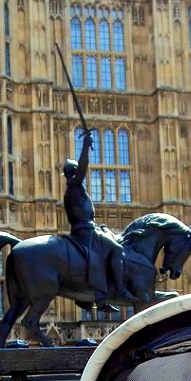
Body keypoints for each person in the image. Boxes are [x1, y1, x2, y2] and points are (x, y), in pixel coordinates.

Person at [63, 129, 133, 301]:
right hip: (86, 231)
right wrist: (86, 146)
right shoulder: (74, 185)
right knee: (116, 249)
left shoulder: (72, 189)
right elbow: (83, 168)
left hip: (89, 228)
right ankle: (120, 291)